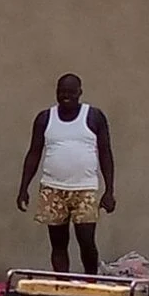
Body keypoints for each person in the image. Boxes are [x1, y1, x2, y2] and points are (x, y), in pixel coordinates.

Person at [16, 73, 116, 274]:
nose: (65, 96)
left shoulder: (94, 116)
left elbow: (106, 154)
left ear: (80, 92)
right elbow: (34, 153)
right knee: (58, 242)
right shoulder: (45, 118)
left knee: (86, 240)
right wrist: (24, 188)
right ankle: (62, 284)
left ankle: (91, 283)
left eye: (71, 92)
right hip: (52, 189)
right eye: (61, 92)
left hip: (85, 188)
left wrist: (109, 190)